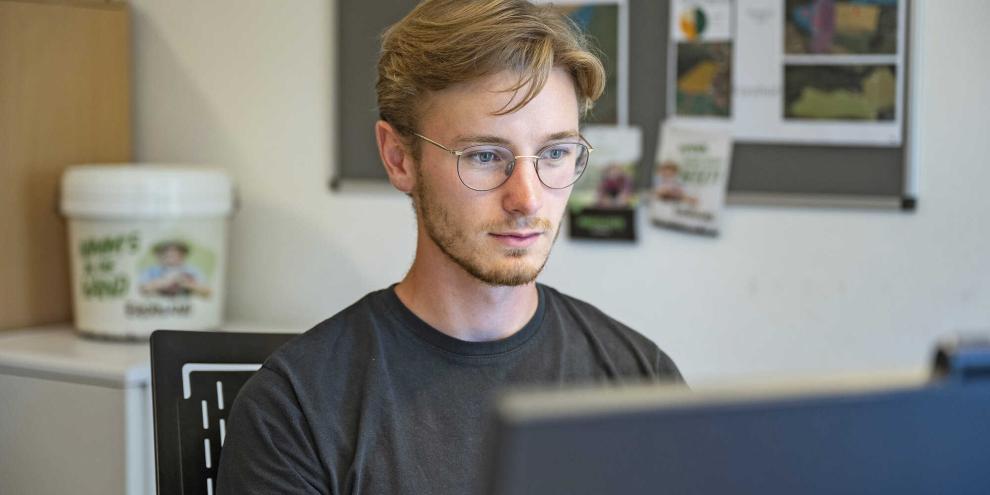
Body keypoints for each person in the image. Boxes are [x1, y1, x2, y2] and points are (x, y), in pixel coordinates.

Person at [217, 1, 682, 493]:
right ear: (399, 159)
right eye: (484, 155)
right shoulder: (297, 409)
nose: (526, 198)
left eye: (555, 153)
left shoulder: (640, 382)